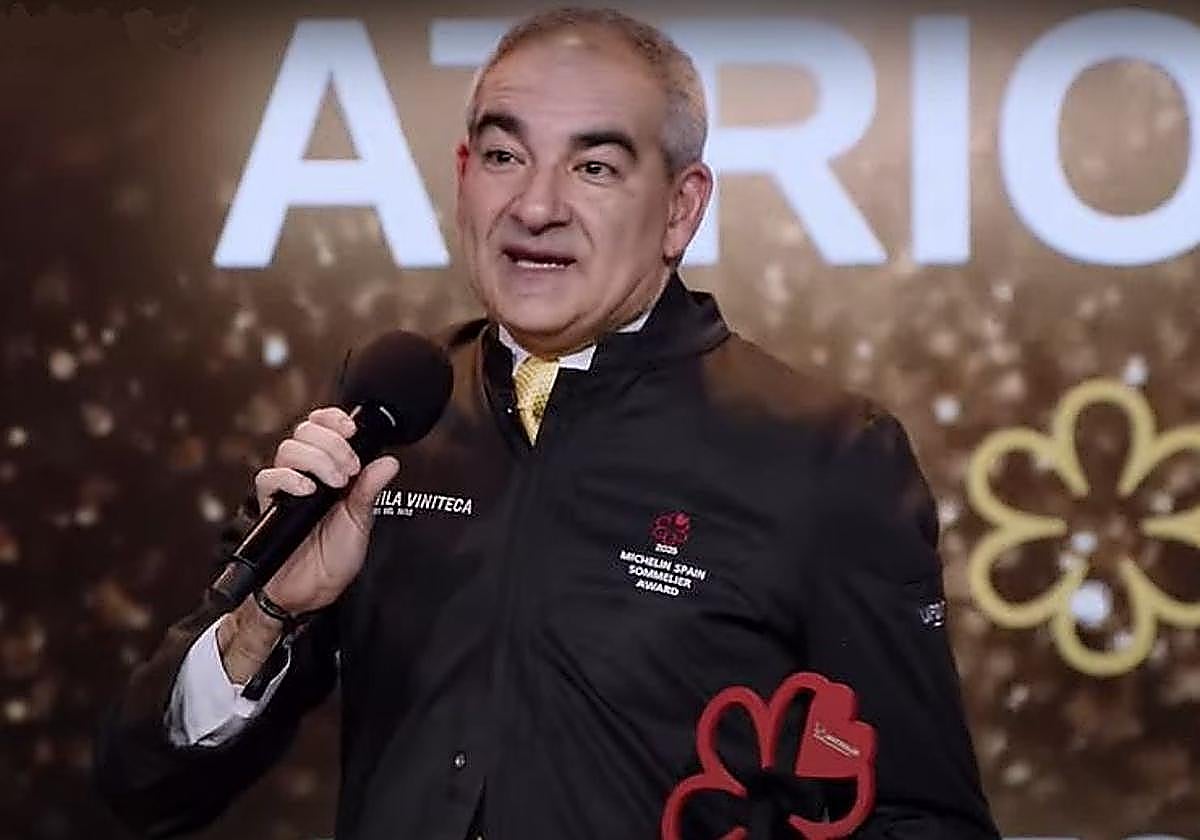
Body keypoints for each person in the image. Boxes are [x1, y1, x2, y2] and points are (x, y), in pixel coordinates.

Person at [94, 8, 1000, 839]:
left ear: (681, 207)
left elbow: (924, 820)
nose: (535, 207)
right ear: (462, 177)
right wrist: (269, 614)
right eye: (504, 156)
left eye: (594, 167)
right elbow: (144, 785)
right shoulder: (386, 414)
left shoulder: (826, 454)